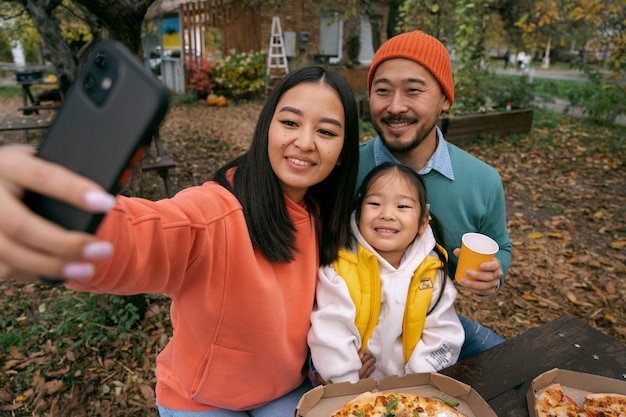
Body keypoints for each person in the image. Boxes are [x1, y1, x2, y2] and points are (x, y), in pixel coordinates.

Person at [0, 66, 360, 416]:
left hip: (281, 390)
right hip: (201, 398)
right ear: (267, 127)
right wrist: (59, 220)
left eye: (326, 132)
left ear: (344, 151)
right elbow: (148, 233)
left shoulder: (325, 217)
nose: (305, 141)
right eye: (290, 123)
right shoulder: (217, 211)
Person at [357, 30, 513, 360]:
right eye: (382, 91)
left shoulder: (481, 181)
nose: (395, 106)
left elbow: (501, 247)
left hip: (431, 324)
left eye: (413, 91)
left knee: (514, 371)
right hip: (349, 328)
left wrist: (493, 272)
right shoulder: (344, 170)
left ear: (445, 99)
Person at [308, 162, 464, 383]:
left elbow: (443, 334)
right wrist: (345, 376)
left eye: (402, 207)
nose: (387, 214)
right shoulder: (340, 268)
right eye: (375, 203)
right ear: (358, 212)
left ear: (422, 222)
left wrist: (417, 380)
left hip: (411, 390)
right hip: (350, 387)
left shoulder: (431, 275)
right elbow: (331, 329)